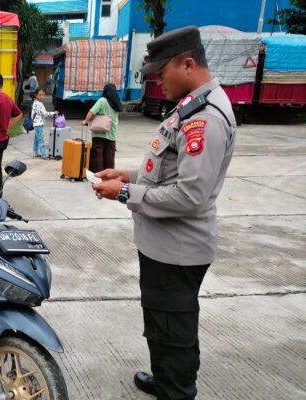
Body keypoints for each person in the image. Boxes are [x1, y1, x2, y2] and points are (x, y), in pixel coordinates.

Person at [91, 26, 236, 400]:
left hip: (178, 251)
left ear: (188, 64)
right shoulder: (191, 106)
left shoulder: (207, 118)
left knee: (174, 331)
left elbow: (189, 196)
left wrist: (123, 191)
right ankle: (164, 378)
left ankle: (176, 390)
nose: (156, 82)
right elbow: (167, 171)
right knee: (161, 324)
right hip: (163, 247)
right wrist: (128, 174)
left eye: (160, 73)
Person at [82, 83, 122, 172]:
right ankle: (109, 174)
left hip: (99, 132)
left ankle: (98, 174)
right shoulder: (117, 102)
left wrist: (85, 121)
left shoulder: (102, 100)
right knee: (109, 155)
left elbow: (92, 112)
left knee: (97, 154)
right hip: (111, 133)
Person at [31, 88, 58, 159]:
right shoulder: (38, 104)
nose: (42, 96)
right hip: (38, 124)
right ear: (36, 95)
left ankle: (35, 153)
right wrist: (53, 113)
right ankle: (43, 154)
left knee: (37, 139)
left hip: (37, 123)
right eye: (40, 95)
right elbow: (44, 114)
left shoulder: (36, 102)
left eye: (43, 95)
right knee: (41, 139)